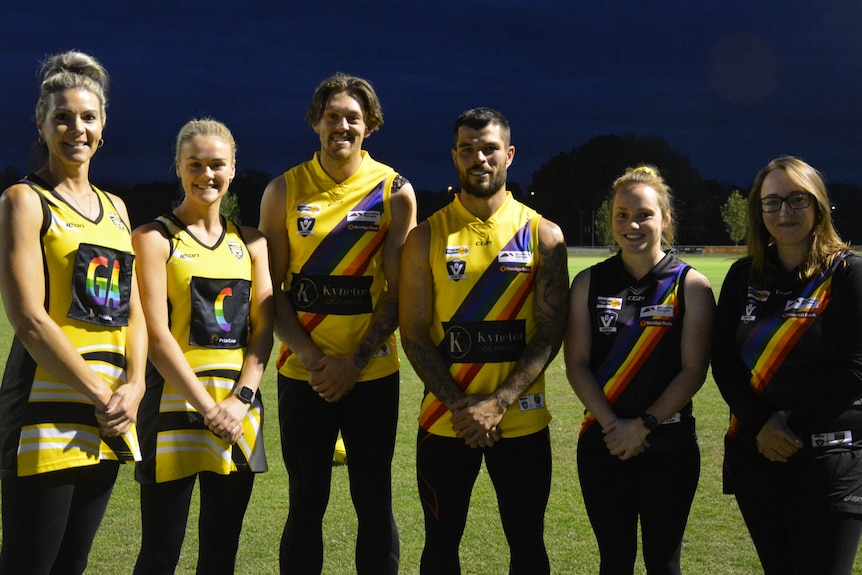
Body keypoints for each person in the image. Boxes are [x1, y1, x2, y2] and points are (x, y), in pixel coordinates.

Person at [258, 72, 416, 575]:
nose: (342, 126)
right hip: (304, 374)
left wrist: (354, 360)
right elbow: (273, 289)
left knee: (374, 499)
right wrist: (313, 359)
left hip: (371, 372)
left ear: (370, 125)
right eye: (332, 117)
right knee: (306, 499)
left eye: (353, 118)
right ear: (316, 122)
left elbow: (398, 293)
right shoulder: (284, 189)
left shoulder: (395, 191)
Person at [399, 107, 569, 574]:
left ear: (509, 154)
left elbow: (550, 331)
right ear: (455, 157)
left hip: (522, 422)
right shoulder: (424, 237)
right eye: (468, 149)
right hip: (445, 421)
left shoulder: (544, 235)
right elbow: (412, 334)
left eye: (489, 148)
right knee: (439, 548)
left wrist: (498, 402)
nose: (480, 157)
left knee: (528, 546)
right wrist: (462, 407)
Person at [0, 50, 145, 574]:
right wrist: (104, 393)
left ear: (103, 128)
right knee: (28, 563)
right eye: (62, 117)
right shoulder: (24, 200)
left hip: (107, 413)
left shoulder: (117, 208)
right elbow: (30, 319)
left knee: (73, 562)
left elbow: (135, 311)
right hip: (46, 406)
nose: (75, 129)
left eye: (88, 118)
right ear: (41, 125)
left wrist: (135, 385)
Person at [131, 118, 272, 575]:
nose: (206, 175)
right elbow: (156, 335)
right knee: (159, 552)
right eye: (195, 164)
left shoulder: (252, 242)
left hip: (239, 414)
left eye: (216, 165)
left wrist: (240, 400)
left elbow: (262, 331)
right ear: (178, 167)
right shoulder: (153, 238)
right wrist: (209, 407)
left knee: (221, 552)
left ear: (233, 168)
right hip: (173, 409)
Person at [712, 156, 862, 574]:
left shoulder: (848, 273)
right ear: (759, 212)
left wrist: (791, 429)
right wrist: (761, 424)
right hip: (756, 457)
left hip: (830, 459)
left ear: (818, 205)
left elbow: (858, 367)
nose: (784, 212)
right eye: (772, 202)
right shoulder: (743, 276)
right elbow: (722, 360)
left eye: (797, 199)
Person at [565, 166, 714, 575]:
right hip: (602, 444)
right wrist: (614, 424)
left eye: (644, 214)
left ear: (664, 218)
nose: (632, 224)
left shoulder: (691, 285)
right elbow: (576, 363)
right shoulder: (588, 283)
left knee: (663, 564)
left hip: (669, 446)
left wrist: (643, 425)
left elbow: (693, 371)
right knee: (613, 561)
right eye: (622, 214)